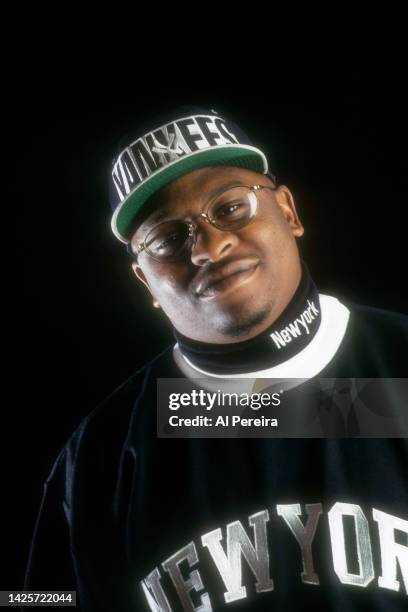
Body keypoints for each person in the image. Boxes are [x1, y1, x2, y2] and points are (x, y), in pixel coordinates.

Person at [24, 107, 408, 611]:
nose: (209, 246)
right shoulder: (100, 455)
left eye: (230, 208)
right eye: (167, 238)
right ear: (145, 282)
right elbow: (35, 599)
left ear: (289, 212)